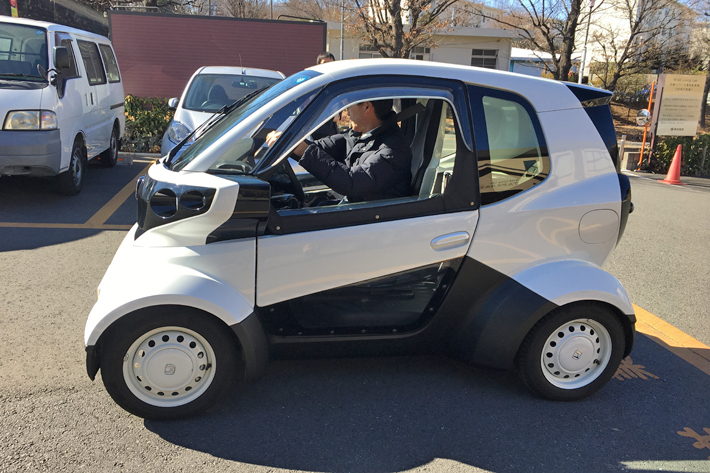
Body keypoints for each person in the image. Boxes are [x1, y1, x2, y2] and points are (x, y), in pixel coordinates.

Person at [268, 99, 412, 203]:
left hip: (375, 226)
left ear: (367, 107)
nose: (346, 111)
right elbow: (321, 148)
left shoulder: (393, 150)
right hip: (357, 212)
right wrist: (289, 142)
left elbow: (351, 182)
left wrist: (305, 150)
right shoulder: (360, 135)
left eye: (350, 103)